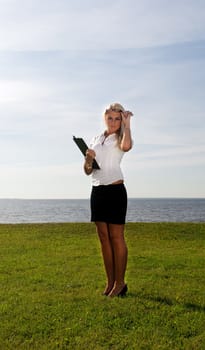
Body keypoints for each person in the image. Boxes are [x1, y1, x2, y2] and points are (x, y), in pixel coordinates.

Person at [84, 102, 133, 297]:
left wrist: (127, 125)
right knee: (104, 239)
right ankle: (111, 282)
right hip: (97, 191)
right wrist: (88, 159)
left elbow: (127, 147)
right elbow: (88, 171)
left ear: (121, 120)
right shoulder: (96, 138)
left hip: (115, 191)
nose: (113, 122)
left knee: (116, 238)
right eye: (110, 118)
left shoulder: (122, 136)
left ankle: (120, 283)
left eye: (117, 118)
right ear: (105, 118)